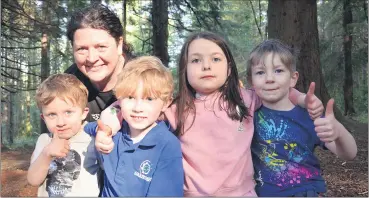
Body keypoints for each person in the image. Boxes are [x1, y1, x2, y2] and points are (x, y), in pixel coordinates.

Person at [95, 31, 325, 196]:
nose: (206, 66)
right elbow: (125, 105)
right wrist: (107, 127)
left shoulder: (246, 98)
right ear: (185, 70)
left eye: (215, 59)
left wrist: (303, 99)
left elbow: (276, 89)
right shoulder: (176, 109)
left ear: (229, 68)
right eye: (196, 60)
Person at [247, 39, 357, 197]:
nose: (269, 78)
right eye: (260, 72)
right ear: (251, 81)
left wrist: (339, 132)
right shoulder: (248, 116)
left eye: (278, 71)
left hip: (306, 192)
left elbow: (350, 154)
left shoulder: (310, 116)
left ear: (293, 78)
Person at [84, 56, 184, 196]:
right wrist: (101, 131)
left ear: (166, 103)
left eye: (149, 99)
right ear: (119, 99)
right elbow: (87, 127)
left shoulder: (166, 145)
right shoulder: (115, 131)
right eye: (130, 97)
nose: (138, 108)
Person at [27, 74, 100, 197]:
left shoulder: (93, 138)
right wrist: (46, 154)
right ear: (43, 118)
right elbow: (33, 180)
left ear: (83, 113)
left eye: (68, 112)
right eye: (51, 115)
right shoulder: (44, 140)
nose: (61, 122)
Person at [65, 3, 134, 122]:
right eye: (82, 49)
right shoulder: (69, 82)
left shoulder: (144, 77)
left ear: (119, 45)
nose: (91, 58)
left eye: (101, 47)